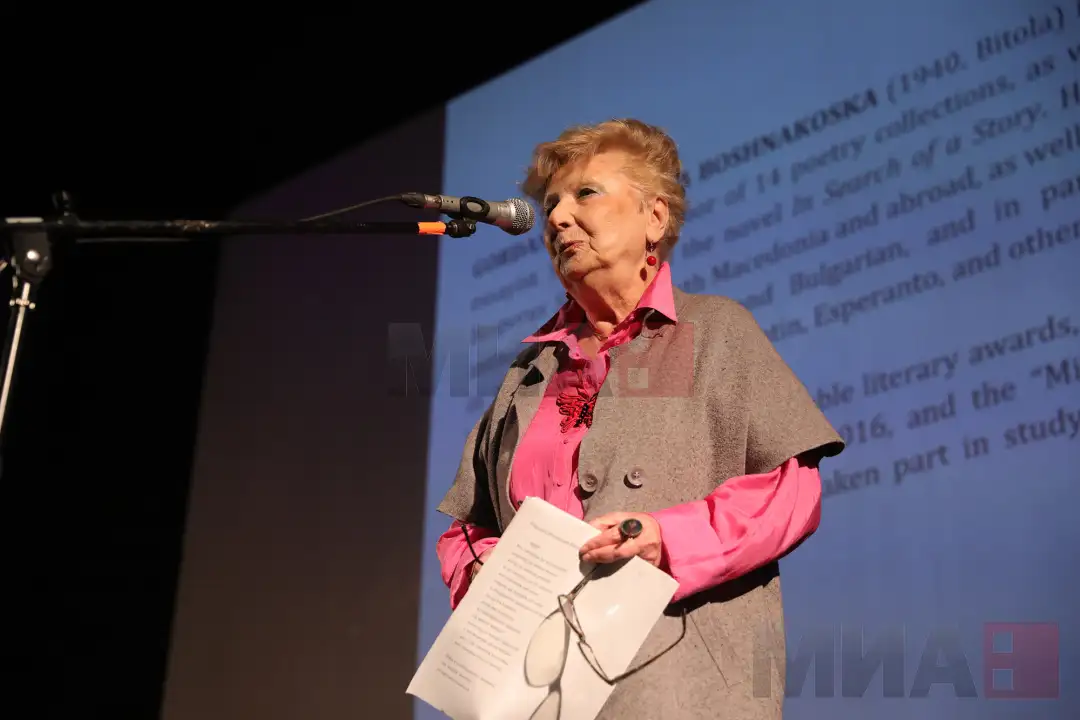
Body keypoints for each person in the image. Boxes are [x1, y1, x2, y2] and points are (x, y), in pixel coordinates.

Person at [435, 118, 845, 719]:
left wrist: (664, 539)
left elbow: (790, 490)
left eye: (585, 193)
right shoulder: (528, 372)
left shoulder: (714, 331)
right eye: (550, 205)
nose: (557, 217)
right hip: (535, 694)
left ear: (655, 217)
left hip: (677, 685)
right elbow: (466, 529)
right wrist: (484, 570)